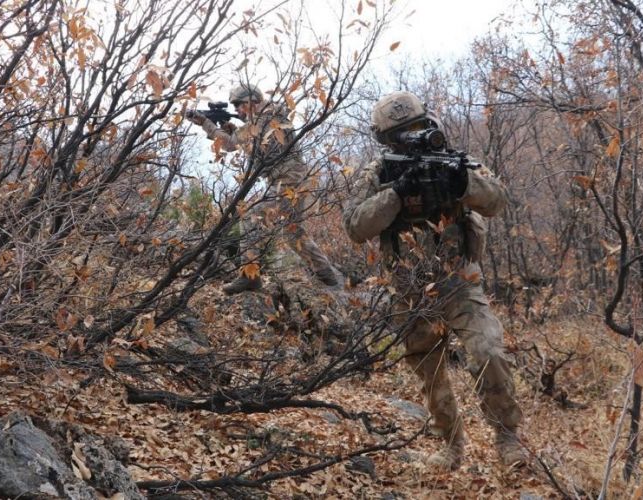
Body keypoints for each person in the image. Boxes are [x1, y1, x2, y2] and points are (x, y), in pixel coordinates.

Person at [342, 91, 526, 470]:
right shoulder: (380, 172)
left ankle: (508, 438)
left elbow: (498, 201)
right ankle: (451, 447)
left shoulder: (455, 162)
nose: (411, 138)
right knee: (430, 372)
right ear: (386, 140)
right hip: (409, 290)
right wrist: (396, 192)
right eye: (401, 134)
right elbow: (356, 227)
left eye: (417, 128)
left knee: (488, 352)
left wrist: (463, 184)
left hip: (459, 280)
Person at [185, 83, 340, 294]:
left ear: (251, 102)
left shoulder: (265, 118)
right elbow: (246, 141)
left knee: (252, 218)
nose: (238, 110)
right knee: (293, 232)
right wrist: (228, 127)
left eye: (240, 105)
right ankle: (328, 275)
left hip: (288, 181)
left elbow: (230, 144)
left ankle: (251, 277)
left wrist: (207, 124)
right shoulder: (266, 117)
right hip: (287, 181)